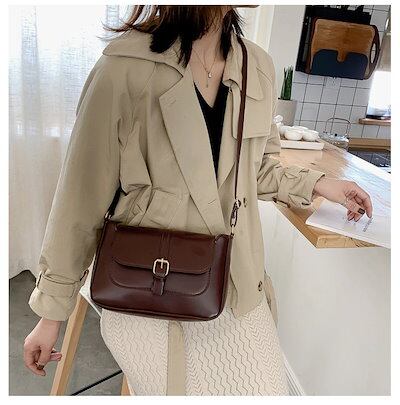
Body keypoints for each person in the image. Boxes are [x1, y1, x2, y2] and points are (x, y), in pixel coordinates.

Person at [23, 5, 373, 395]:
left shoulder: (256, 66)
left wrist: (319, 184)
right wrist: (51, 313)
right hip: (145, 286)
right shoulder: (123, 68)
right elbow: (79, 197)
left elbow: (252, 169)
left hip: (233, 280)